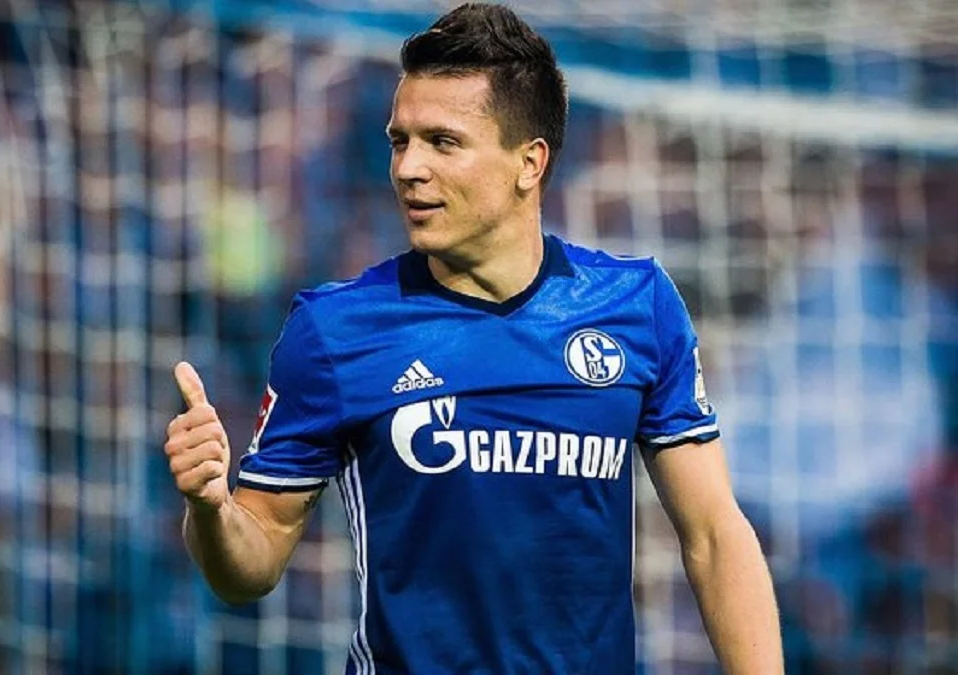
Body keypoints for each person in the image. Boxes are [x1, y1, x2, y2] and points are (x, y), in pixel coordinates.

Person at [162, 3, 782, 673]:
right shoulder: (334, 328)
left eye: (442, 141)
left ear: (529, 162)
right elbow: (250, 567)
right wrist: (210, 508)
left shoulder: (637, 305)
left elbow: (714, 535)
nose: (408, 167)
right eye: (400, 141)